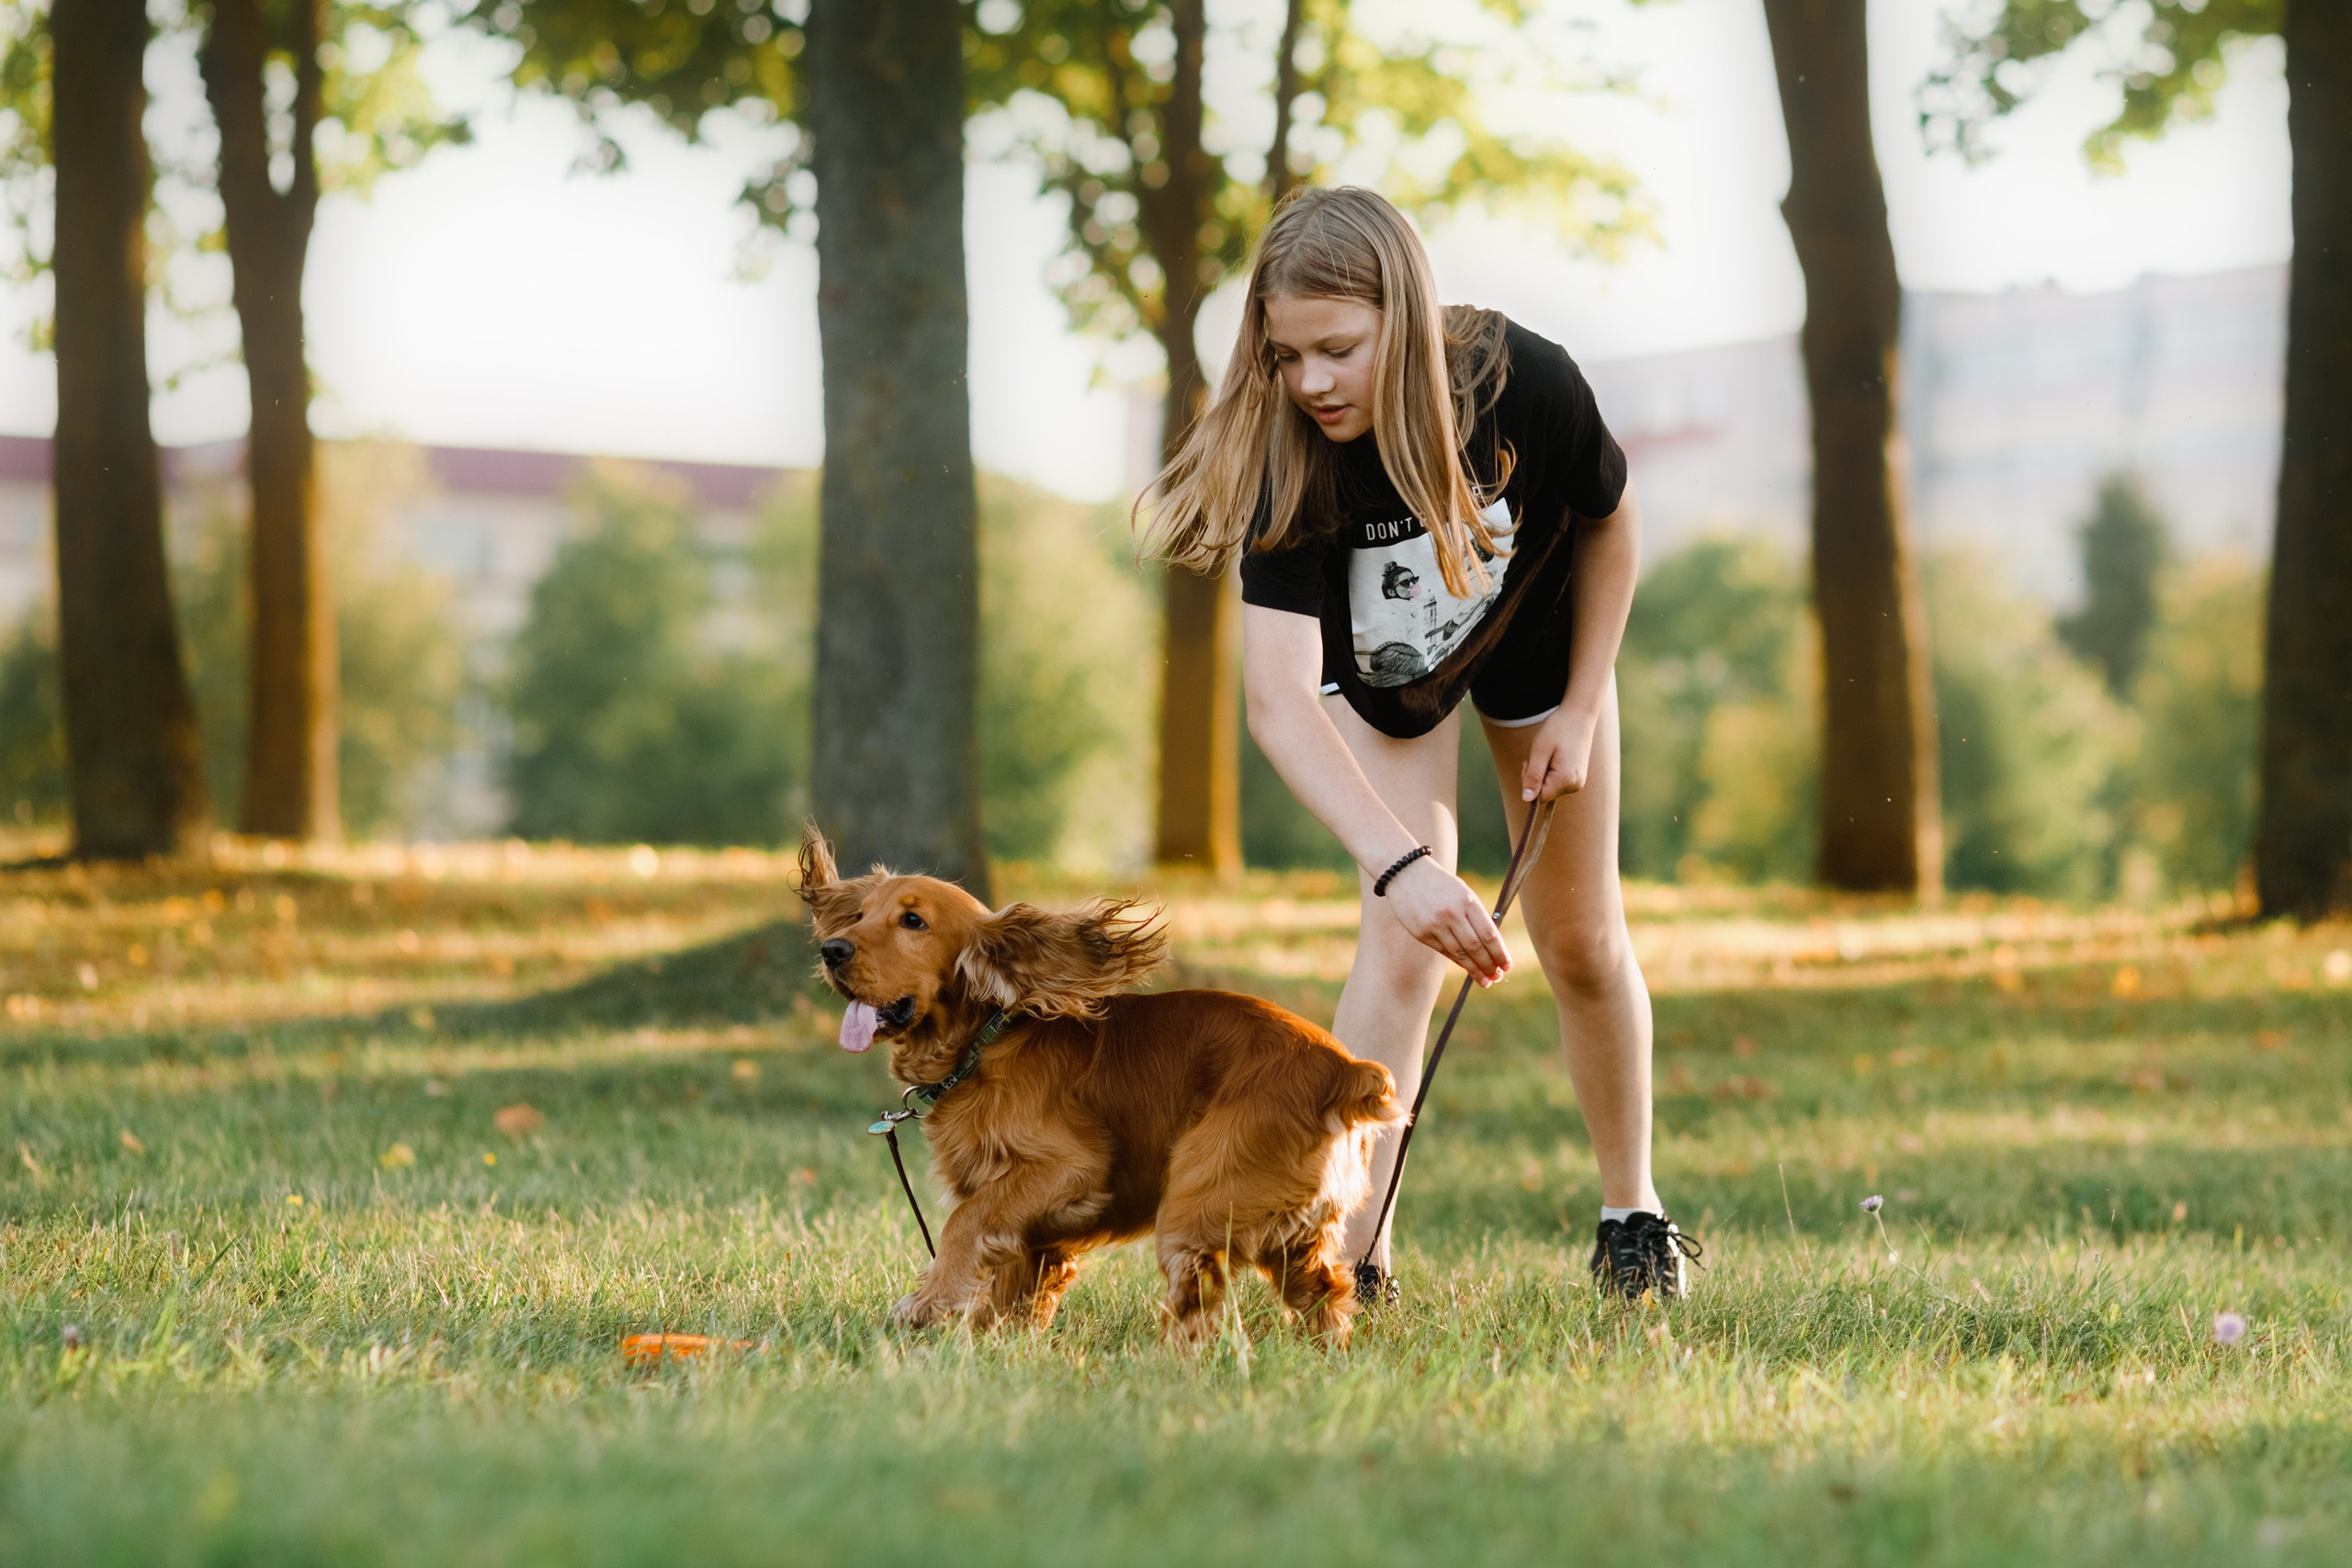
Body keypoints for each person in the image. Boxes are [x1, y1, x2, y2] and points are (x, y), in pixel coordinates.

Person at [1139, 186, 1693, 1303]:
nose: (1311, 384)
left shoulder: (1518, 378)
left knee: (1581, 941)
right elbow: (1279, 702)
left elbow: (1609, 517)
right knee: (1401, 943)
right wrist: (1402, 869)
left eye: (1336, 350)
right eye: (1286, 357)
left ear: (1405, 312)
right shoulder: (1290, 462)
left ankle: (1633, 1217)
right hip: (1395, 686)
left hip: (1541, 649)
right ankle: (1353, 1253)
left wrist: (1581, 708)